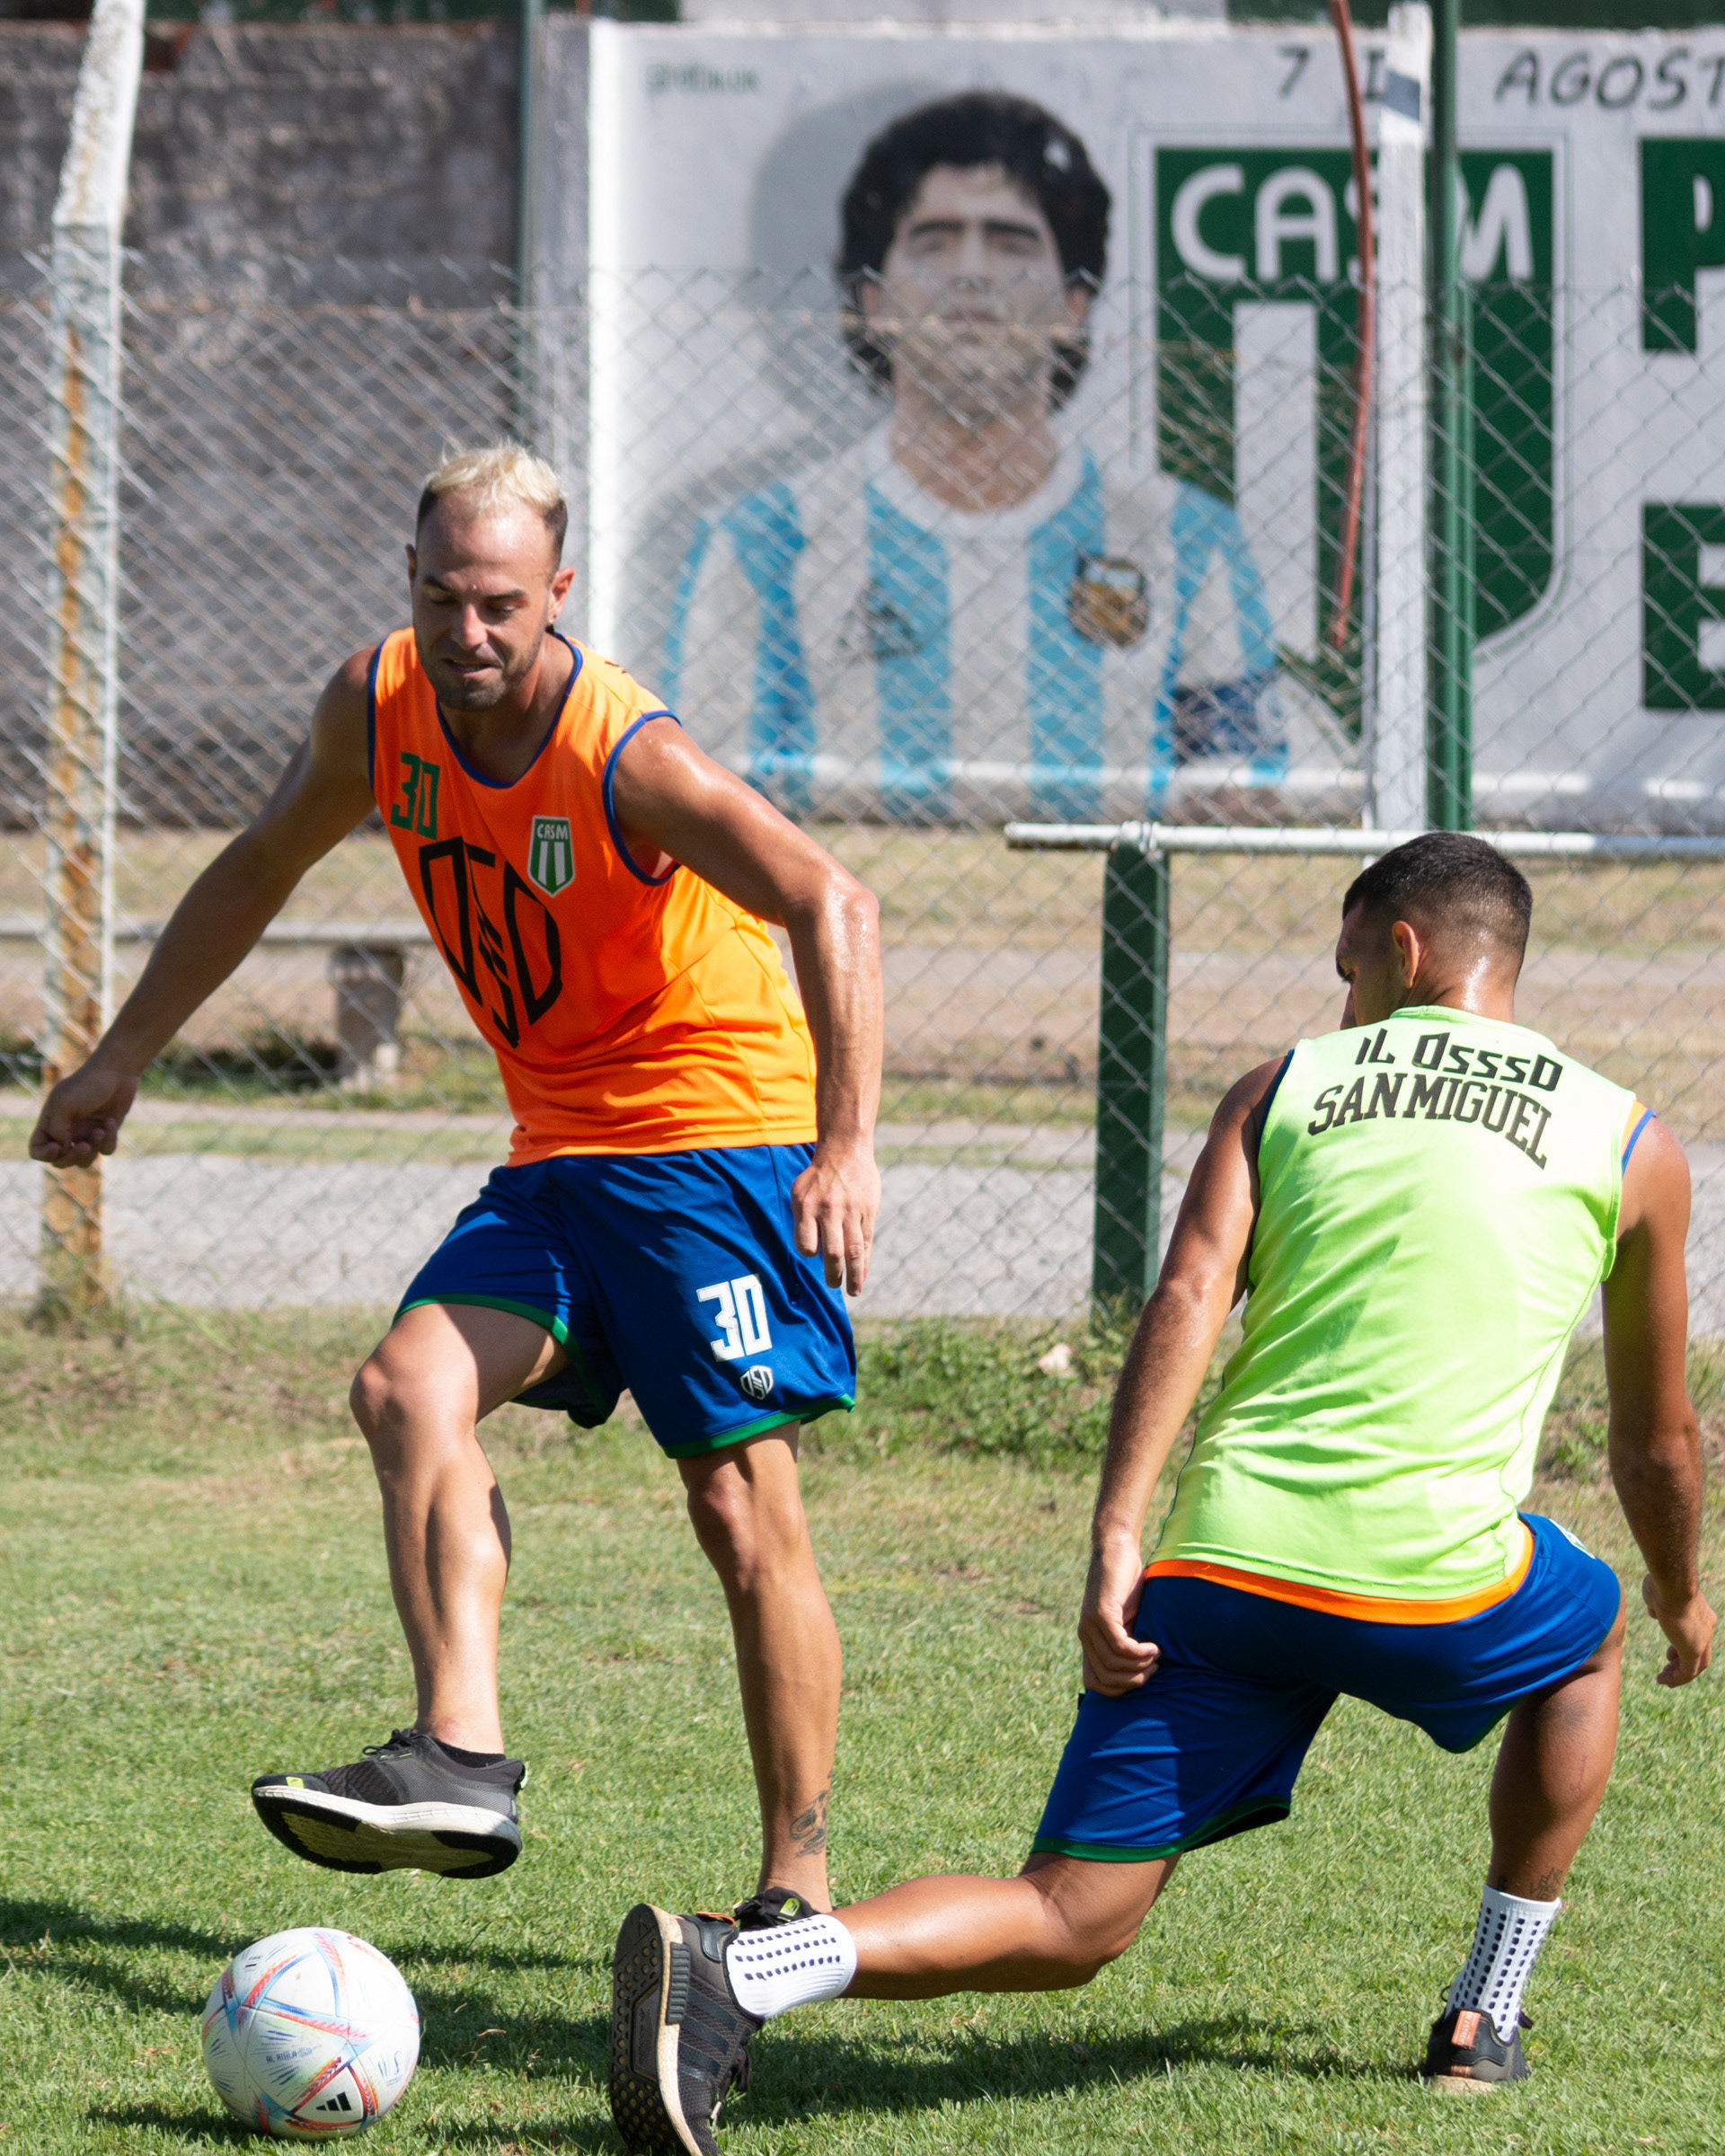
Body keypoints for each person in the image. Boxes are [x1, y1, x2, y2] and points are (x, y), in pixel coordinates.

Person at [606, 831, 1714, 2155]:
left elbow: (1186, 1297)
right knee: (1584, 1637)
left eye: (1347, 965)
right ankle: (1486, 2015)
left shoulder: (1279, 1087)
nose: (1344, 993)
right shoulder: (1631, 1140)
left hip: (1219, 1572)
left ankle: (738, 1969)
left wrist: (1118, 1534)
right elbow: (1657, 1445)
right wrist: (1683, 1596)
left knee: (1069, 1918)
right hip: (1444, 1585)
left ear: (1403, 952)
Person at [30, 445, 883, 1925]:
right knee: (404, 1389)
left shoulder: (627, 753)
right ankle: (462, 1753)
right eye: (441, 600)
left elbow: (833, 896)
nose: (467, 634)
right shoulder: (379, 705)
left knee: (740, 1506)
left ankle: (794, 1895)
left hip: (711, 1138)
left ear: (558, 594)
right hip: (559, 1149)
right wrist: (125, 1056)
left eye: (499, 605)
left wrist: (848, 1143)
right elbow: (258, 862)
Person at [666, 92, 1290, 826]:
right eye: (933, 241)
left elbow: (1240, 795)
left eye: (1011, 243)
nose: (971, 274)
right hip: (853, 928)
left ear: (1074, 305)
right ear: (870, 298)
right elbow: (705, 806)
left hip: (1114, 931)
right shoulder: (759, 543)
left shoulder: (1187, 539)